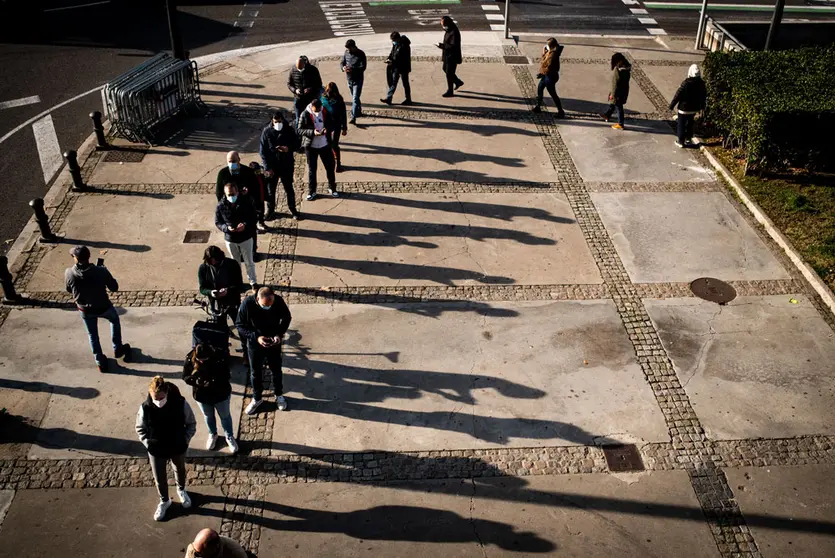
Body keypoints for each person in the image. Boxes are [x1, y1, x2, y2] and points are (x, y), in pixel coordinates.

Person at [135, 376, 197, 521]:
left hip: (177, 446)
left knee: (179, 469)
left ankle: (181, 490)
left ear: (167, 393)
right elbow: (140, 428)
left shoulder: (180, 403)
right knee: (159, 477)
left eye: (161, 398)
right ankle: (164, 500)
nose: (158, 401)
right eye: (155, 398)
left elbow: (191, 423)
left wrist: (185, 440)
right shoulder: (145, 408)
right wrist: (149, 443)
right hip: (156, 450)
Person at [64, 245, 131, 373]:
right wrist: (104, 272)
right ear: (89, 257)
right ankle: (118, 348)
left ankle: (100, 361)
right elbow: (114, 287)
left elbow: (68, 289)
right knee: (114, 320)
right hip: (103, 306)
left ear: (77, 259)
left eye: (73, 256)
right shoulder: (101, 271)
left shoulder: (69, 273)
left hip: (85, 310)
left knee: (92, 335)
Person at [235, 286, 292, 415]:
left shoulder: (278, 301)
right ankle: (257, 398)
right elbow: (240, 325)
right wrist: (256, 337)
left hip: (274, 342)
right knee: (255, 372)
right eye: (265, 305)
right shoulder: (247, 304)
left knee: (276, 370)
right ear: (257, 299)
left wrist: (279, 334)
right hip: (255, 344)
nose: (268, 307)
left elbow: (287, 317)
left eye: (270, 305)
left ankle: (279, 394)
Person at [183, 342, 238, 454]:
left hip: (220, 394)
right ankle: (213, 433)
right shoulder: (190, 359)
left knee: (225, 416)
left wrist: (213, 382)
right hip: (202, 395)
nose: (202, 361)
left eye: (205, 359)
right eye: (200, 359)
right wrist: (195, 381)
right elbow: (185, 376)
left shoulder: (219, 358)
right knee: (208, 416)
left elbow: (227, 376)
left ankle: (229, 436)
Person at [215, 183, 258, 289]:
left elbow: (253, 217)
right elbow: (218, 222)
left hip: (246, 237)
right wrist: (226, 228)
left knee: (249, 261)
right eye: (229, 194)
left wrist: (245, 225)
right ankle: (238, 281)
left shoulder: (246, 202)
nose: (231, 197)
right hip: (231, 238)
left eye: (233, 194)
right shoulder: (221, 205)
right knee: (235, 262)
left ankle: (253, 282)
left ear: (237, 192)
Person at [259, 111, 301, 220]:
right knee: (270, 190)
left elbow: (297, 144)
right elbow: (263, 151)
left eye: (279, 121)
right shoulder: (267, 132)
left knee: (289, 188)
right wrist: (267, 168)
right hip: (273, 166)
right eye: (275, 121)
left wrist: (288, 149)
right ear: (272, 121)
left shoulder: (289, 129)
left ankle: (293, 209)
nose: (278, 123)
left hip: (286, 164)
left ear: (282, 120)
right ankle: (270, 210)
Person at [216, 150, 266, 238]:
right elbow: (219, 193)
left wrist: (248, 192)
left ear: (239, 159)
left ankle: (253, 250)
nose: (232, 164)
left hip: (245, 206)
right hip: (230, 207)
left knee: (249, 230)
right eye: (229, 162)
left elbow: (255, 189)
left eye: (234, 161)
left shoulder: (248, 172)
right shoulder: (223, 174)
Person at [298, 98, 339, 201]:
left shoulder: (324, 111)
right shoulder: (305, 114)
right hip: (311, 147)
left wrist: (327, 129)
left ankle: (332, 188)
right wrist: (313, 132)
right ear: (312, 107)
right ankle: (312, 191)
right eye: (316, 110)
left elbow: (332, 124)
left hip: (324, 145)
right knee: (312, 170)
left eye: (319, 110)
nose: (318, 112)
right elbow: (299, 129)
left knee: (330, 167)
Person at [198, 245, 243, 322]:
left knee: (239, 324)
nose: (213, 263)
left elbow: (239, 285)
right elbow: (202, 288)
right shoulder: (203, 268)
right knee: (219, 327)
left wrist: (227, 290)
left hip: (232, 301)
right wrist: (210, 292)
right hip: (215, 303)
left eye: (216, 260)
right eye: (210, 261)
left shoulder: (232, 264)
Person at [669, 64, 707, 148]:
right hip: (694, 108)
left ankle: (680, 141)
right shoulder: (701, 83)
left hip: (684, 108)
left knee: (681, 124)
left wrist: (672, 105)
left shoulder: (686, 83)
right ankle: (688, 139)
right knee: (690, 123)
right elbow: (703, 96)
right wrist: (702, 106)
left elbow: (678, 95)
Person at [532, 38, 566, 117]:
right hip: (546, 75)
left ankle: (560, 111)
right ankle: (538, 107)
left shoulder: (553, 54)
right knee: (540, 88)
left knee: (553, 94)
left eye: (547, 45)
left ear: (550, 46)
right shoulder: (551, 53)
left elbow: (546, 64)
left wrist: (544, 54)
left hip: (550, 77)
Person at [287, 56, 323, 127]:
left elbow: (319, 84)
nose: (300, 70)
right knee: (298, 119)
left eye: (301, 68)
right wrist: (295, 90)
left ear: (304, 64)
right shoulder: (293, 70)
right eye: (298, 68)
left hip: (310, 99)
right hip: (298, 98)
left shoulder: (313, 70)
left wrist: (310, 89)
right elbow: (289, 84)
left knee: (311, 119)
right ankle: (299, 135)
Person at [600, 52, 632, 130]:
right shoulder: (627, 68)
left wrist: (612, 94)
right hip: (624, 90)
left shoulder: (618, 70)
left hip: (617, 92)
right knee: (613, 104)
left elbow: (615, 84)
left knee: (619, 107)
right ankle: (607, 115)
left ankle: (620, 124)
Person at [322, 82, 348, 173]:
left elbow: (343, 114)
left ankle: (338, 164)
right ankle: (331, 161)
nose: (329, 92)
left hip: (336, 125)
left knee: (335, 145)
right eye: (328, 90)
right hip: (327, 125)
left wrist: (344, 128)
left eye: (330, 91)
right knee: (328, 145)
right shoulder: (323, 98)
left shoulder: (339, 100)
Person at [381, 31, 412, 106]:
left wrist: (393, 62)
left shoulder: (404, 45)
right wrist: (389, 59)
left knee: (405, 84)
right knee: (393, 83)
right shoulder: (396, 44)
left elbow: (403, 58)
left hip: (403, 67)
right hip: (396, 67)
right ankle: (389, 98)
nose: (393, 42)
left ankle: (408, 99)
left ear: (398, 39)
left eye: (393, 40)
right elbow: (392, 53)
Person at [340, 39, 367, 125]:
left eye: (349, 49)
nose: (348, 50)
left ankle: (353, 117)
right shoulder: (346, 53)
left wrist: (353, 69)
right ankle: (358, 111)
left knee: (355, 98)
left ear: (353, 47)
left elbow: (363, 67)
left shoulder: (361, 54)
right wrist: (343, 68)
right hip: (349, 79)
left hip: (358, 80)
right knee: (355, 97)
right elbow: (342, 62)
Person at [437, 16, 463, 98]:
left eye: (443, 24)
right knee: (445, 69)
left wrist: (442, 46)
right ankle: (457, 81)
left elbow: (452, 46)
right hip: (447, 55)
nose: (442, 27)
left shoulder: (453, 32)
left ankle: (450, 91)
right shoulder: (450, 29)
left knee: (449, 73)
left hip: (452, 56)